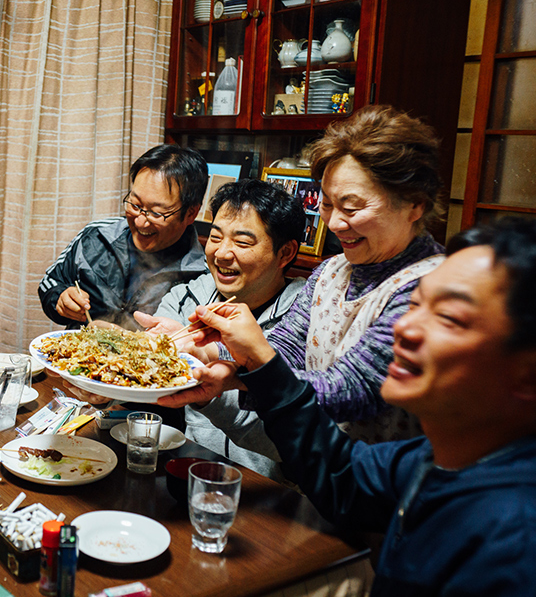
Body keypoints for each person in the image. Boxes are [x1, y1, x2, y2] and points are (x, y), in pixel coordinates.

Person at [186, 217, 536, 595]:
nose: (405, 328)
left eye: (449, 318)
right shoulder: (432, 459)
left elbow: (346, 392)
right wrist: (253, 367)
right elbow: (341, 475)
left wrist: (256, 364)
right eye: (414, 305)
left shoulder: (514, 538)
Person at [161, 105, 446, 456]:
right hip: (318, 478)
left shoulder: (434, 287)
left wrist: (240, 375)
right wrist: (207, 352)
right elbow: (286, 349)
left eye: (352, 208)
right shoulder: (331, 271)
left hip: (388, 491)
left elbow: (353, 390)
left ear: (415, 204)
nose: (336, 223)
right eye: (327, 204)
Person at [142, 179, 306, 478]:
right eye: (215, 237)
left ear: (285, 253)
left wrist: (208, 392)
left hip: (269, 495)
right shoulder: (185, 299)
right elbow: (145, 379)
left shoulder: (306, 322)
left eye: (242, 243)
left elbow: (294, 441)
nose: (221, 253)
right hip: (189, 472)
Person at [38, 144, 209, 330]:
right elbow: (51, 282)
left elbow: (193, 345)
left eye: (157, 213)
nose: (141, 223)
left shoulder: (201, 276)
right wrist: (60, 297)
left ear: (191, 213)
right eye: (135, 205)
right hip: (73, 358)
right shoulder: (96, 236)